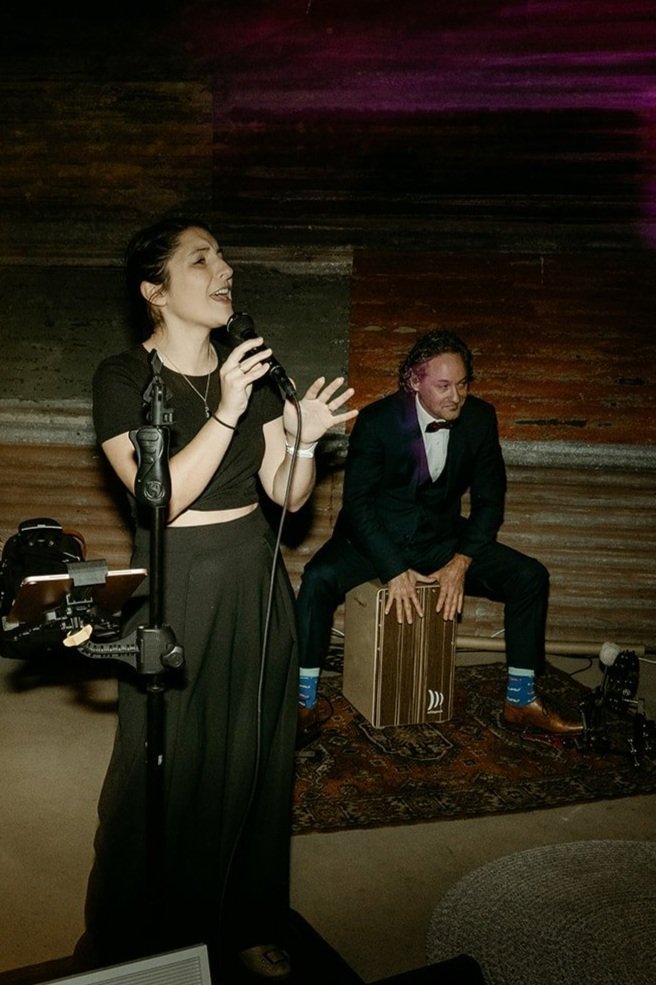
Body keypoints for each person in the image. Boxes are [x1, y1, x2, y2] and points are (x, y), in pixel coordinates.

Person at [74, 216, 357, 980]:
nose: (224, 268)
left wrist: (302, 438)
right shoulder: (122, 377)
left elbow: (285, 497)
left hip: (253, 572)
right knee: (157, 768)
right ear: (155, 290)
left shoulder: (252, 369)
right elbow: (156, 498)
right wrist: (228, 407)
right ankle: (134, 937)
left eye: (224, 255)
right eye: (201, 259)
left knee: (256, 761)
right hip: (177, 578)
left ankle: (245, 918)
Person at [296, 329, 583, 743]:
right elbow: (357, 505)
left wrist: (461, 562)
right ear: (414, 381)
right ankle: (304, 701)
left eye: (463, 384)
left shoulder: (480, 418)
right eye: (444, 386)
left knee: (529, 576)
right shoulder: (377, 420)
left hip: (441, 539)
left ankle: (520, 701)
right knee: (318, 579)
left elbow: (490, 500)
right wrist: (393, 569)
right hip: (375, 537)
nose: (456, 396)